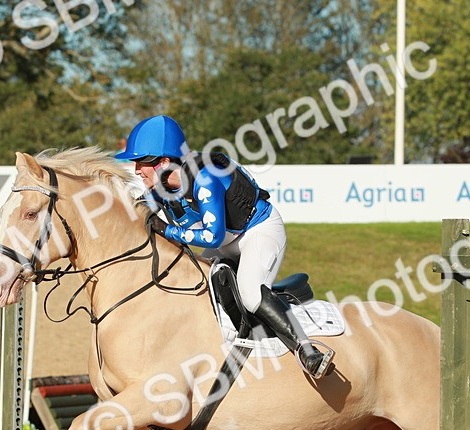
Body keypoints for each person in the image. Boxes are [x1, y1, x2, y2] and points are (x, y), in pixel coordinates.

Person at [115, 115, 333, 379]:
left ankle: (308, 350)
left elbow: (212, 238)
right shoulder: (158, 186)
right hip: (227, 240)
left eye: (141, 162)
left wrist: (167, 229)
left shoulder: (205, 179)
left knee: (250, 293)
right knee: (192, 286)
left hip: (258, 232)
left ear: (163, 162)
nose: (136, 169)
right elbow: (131, 213)